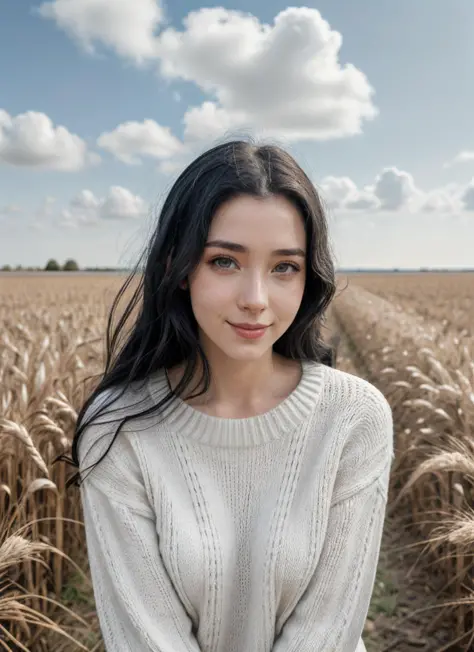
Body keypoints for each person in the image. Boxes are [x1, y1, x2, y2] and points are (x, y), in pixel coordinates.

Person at [62, 139, 394, 651]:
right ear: (177, 265)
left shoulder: (354, 418)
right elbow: (146, 639)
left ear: (309, 279)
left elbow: (327, 633)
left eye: (285, 267)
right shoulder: (118, 426)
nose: (255, 300)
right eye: (224, 262)